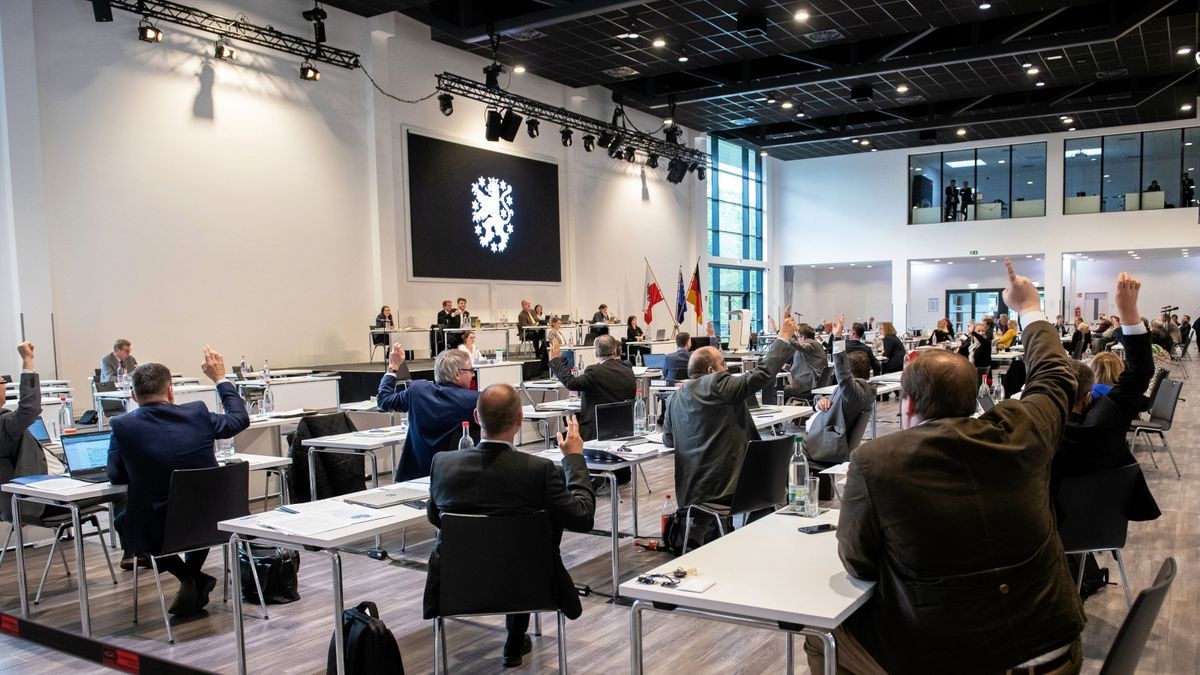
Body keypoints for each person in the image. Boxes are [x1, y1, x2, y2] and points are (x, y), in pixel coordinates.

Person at [809, 258, 1085, 674]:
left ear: (909, 405)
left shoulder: (878, 461)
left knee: (823, 638)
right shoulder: (1024, 432)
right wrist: (1030, 306)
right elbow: (1055, 376)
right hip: (1057, 651)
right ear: (973, 397)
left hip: (956, 659)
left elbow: (858, 561)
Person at [424, 388, 594, 669]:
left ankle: (516, 637)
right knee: (522, 549)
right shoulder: (538, 470)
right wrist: (574, 459)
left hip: (457, 586)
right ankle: (515, 636)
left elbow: (435, 517)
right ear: (519, 419)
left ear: (477, 417)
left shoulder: (442, 464)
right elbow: (582, 516)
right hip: (531, 585)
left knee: (510, 547)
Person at [107, 347, 250, 617]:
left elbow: (115, 476)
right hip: (215, 519)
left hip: (160, 528)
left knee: (124, 520)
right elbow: (239, 419)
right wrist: (220, 379)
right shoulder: (197, 413)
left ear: (133, 396)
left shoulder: (122, 425)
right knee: (195, 509)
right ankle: (192, 576)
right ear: (171, 392)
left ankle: (188, 577)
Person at [1053, 274, 1160, 593]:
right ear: (1088, 396)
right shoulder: (1108, 417)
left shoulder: (1039, 434)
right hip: (1105, 526)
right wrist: (1129, 310)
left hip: (1049, 535)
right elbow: (1142, 369)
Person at [663, 308, 797, 508]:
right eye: (723, 364)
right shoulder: (716, 383)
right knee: (780, 465)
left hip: (692, 493)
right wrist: (784, 336)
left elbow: (669, 440)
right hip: (731, 488)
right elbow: (761, 374)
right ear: (711, 370)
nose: (726, 369)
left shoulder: (675, 398)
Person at [377, 347, 478, 481]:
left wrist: (393, 367)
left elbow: (383, 401)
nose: (473, 375)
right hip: (451, 480)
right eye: (470, 370)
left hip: (413, 477)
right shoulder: (474, 400)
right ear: (457, 374)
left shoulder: (417, 391)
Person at [804, 314, 874, 465]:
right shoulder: (863, 391)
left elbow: (842, 372)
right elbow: (836, 405)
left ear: (850, 373)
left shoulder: (853, 391)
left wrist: (838, 338)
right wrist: (821, 402)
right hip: (824, 435)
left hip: (824, 445)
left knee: (781, 453)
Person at [548, 335, 635, 442]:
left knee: (559, 440)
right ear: (615, 350)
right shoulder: (628, 371)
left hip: (595, 431)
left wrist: (555, 360)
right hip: (623, 428)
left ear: (596, 353)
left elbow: (571, 383)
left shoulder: (594, 371)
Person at [1, 343, 49, 525]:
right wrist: (27, 360)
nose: (5, 387)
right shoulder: (3, 423)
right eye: (2, 383)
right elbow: (30, 408)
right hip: (24, 500)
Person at [784, 323, 826, 401]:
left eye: (798, 337)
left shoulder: (811, 344)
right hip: (814, 385)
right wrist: (786, 367)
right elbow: (803, 368)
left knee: (779, 391)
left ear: (803, 337)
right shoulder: (816, 345)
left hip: (808, 387)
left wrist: (786, 334)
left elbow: (798, 346)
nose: (797, 339)